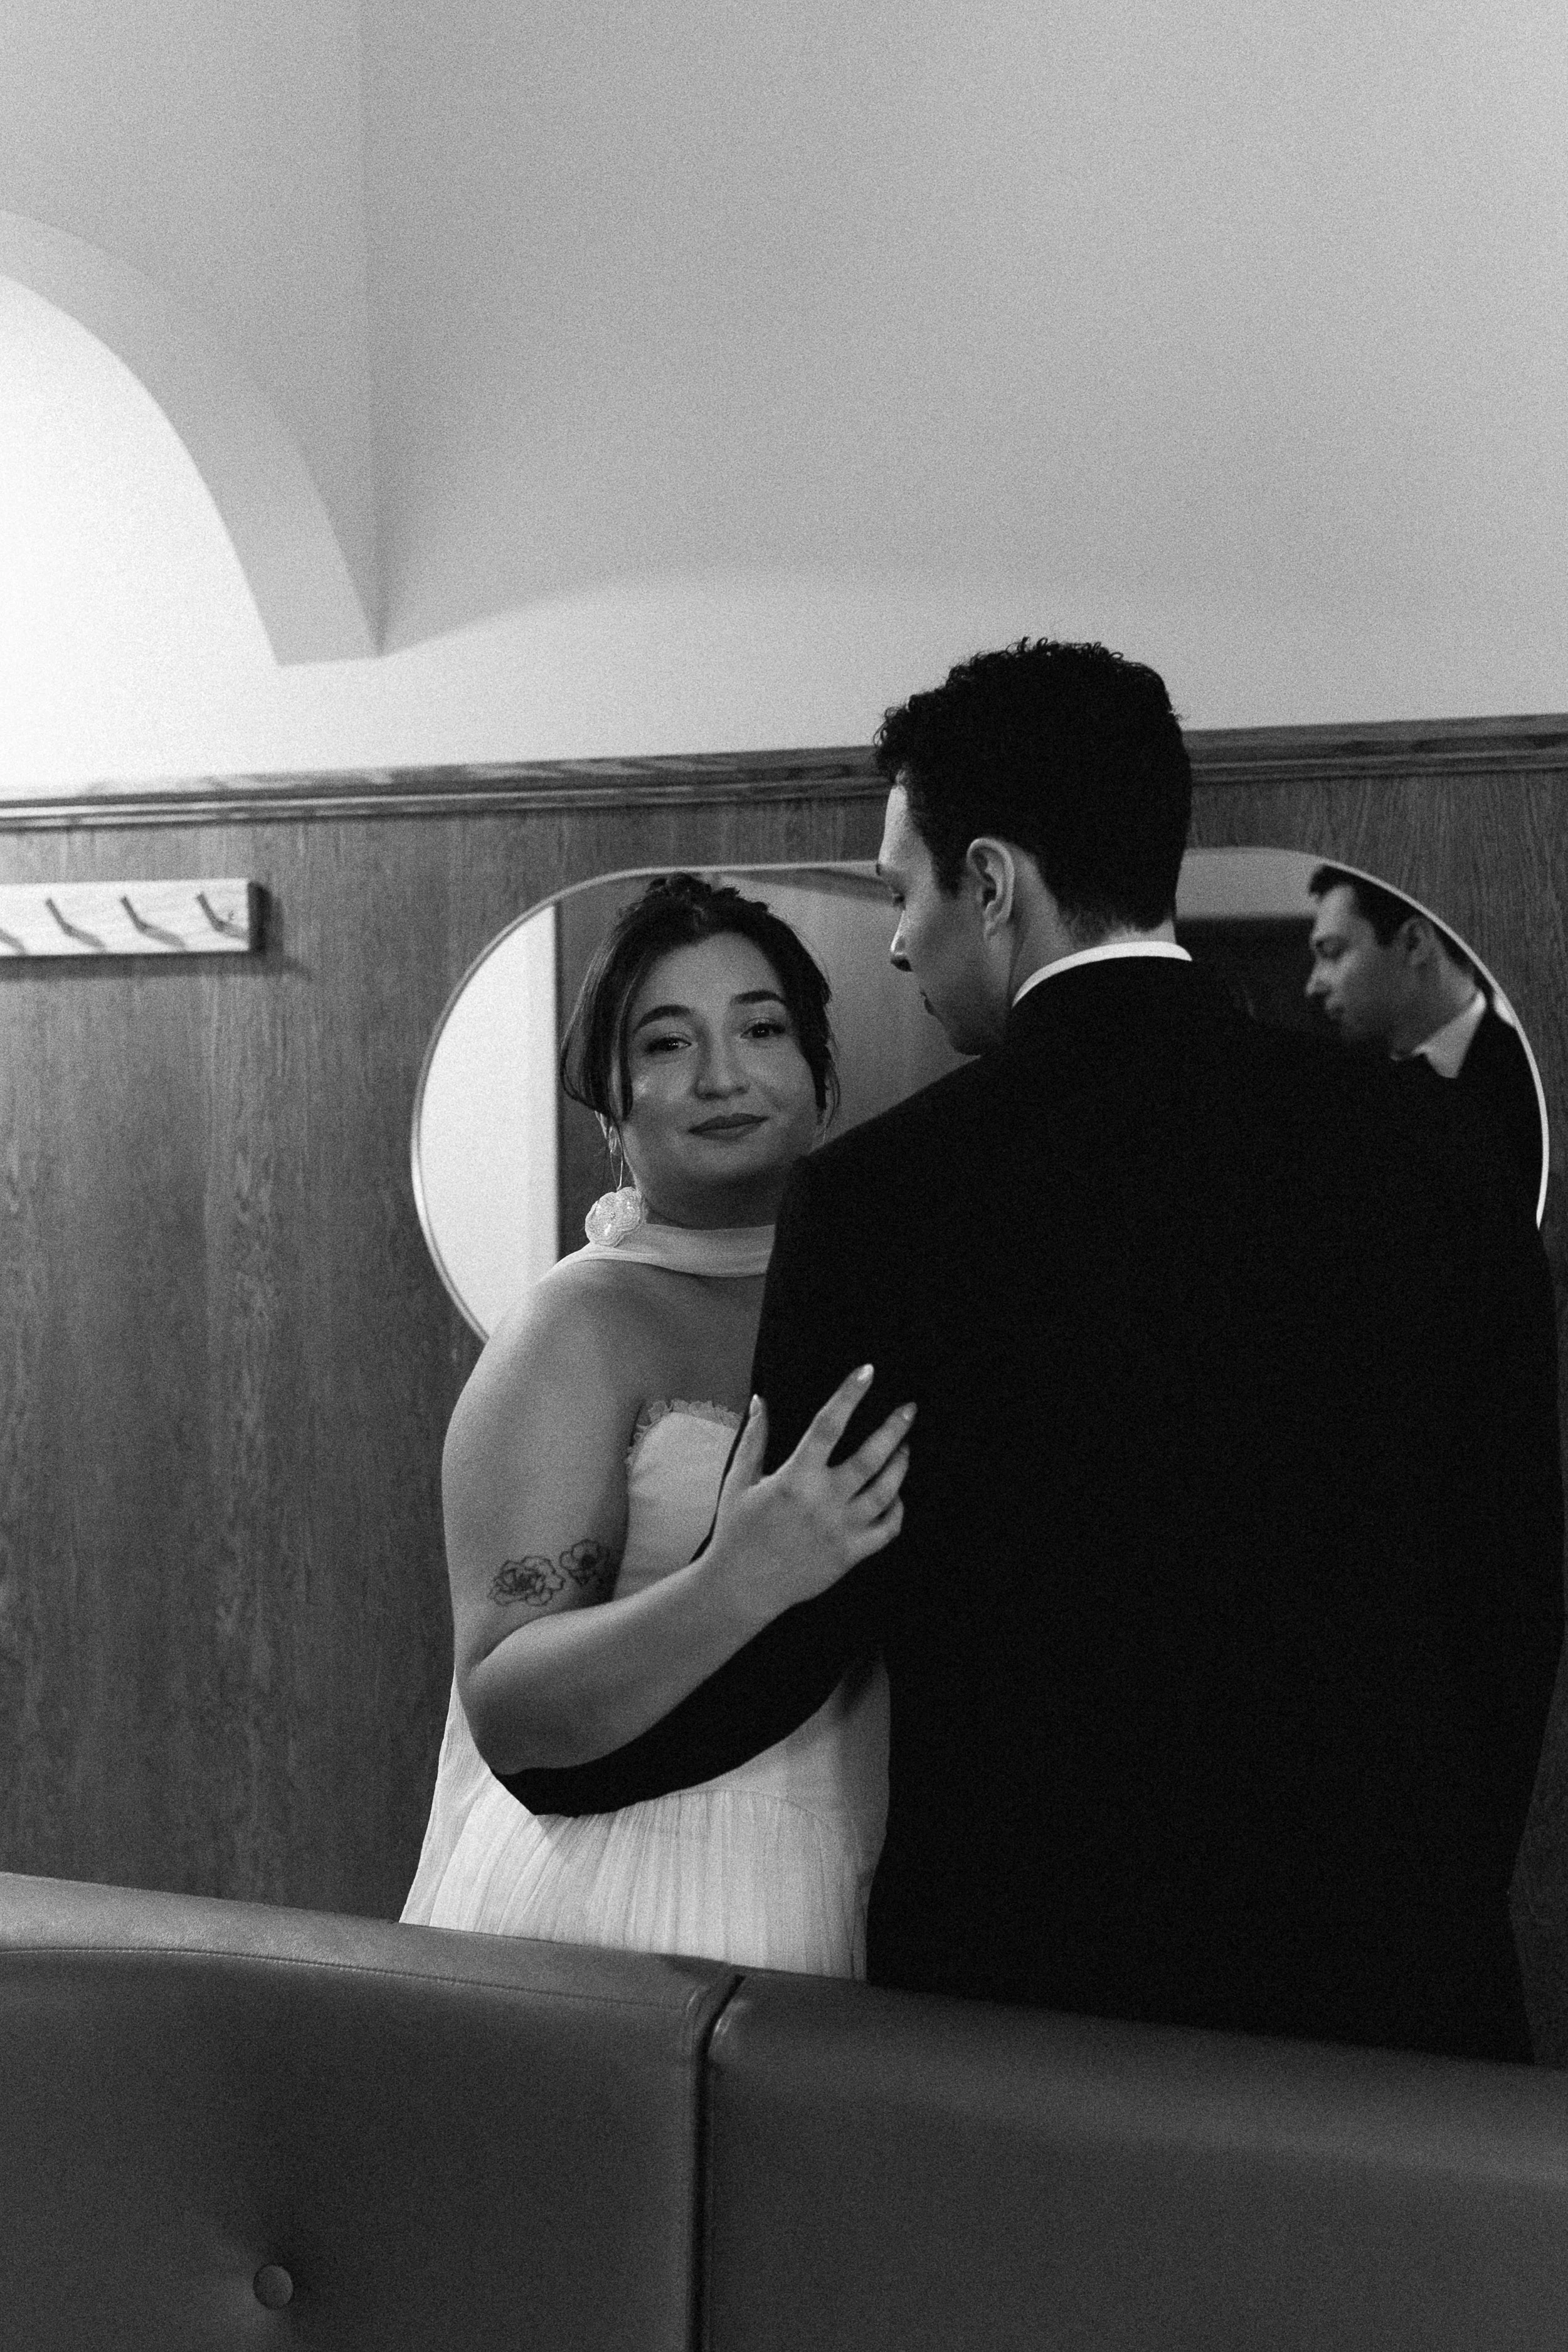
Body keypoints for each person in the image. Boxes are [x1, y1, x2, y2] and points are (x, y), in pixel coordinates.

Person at [502, 639, 1564, 2063]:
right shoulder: (1430, 1142)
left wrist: (554, 1765)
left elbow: (797, 1637)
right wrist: (1425, 1891)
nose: (894, 938)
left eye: (902, 887)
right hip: (1393, 1987)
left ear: (990, 882)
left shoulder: (888, 1197)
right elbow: (1509, 1576)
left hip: (1027, 2003)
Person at [402, 873, 914, 1974]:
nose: (723, 1075)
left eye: (761, 1029)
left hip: (866, 1869)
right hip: (628, 1882)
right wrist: (739, 1577)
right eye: (668, 1044)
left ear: (821, 1076)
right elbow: (508, 1703)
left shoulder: (898, 1284)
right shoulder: (576, 1326)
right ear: (612, 1103)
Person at [1306, 864, 1543, 1207]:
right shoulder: (1338, 1087)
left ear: (1415, 943)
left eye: (1332, 952)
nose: (1313, 985)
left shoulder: (1533, 1081)